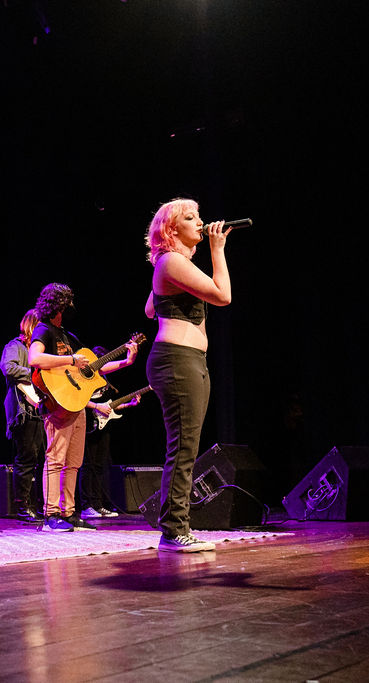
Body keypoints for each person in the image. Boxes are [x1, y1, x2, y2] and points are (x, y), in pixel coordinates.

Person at [144, 198, 232, 553]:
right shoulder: (171, 261)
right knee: (183, 447)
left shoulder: (171, 264)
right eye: (190, 218)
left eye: (199, 216)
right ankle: (173, 530)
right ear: (171, 229)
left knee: (185, 446)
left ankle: (176, 526)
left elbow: (150, 308)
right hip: (177, 360)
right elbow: (223, 296)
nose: (200, 222)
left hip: (186, 359)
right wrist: (217, 249)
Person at [28, 283, 138, 532]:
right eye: (67, 304)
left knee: (74, 462)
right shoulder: (44, 330)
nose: (71, 308)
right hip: (58, 404)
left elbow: (94, 368)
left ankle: (68, 512)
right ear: (58, 306)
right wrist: (70, 359)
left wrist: (126, 362)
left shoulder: (68, 335)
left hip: (76, 405)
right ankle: (51, 514)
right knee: (55, 459)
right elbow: (35, 358)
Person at [79, 358, 143, 519]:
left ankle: (98, 504)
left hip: (104, 425)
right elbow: (79, 399)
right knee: (88, 465)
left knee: (100, 465)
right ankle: (86, 505)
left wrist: (129, 404)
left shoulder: (105, 382)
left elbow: (109, 406)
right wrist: (97, 407)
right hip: (89, 423)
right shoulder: (85, 379)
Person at [0, 309, 46, 522]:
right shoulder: (15, 346)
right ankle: (23, 506)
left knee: (44, 460)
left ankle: (44, 505)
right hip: (24, 410)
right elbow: (8, 367)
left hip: (43, 410)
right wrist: (36, 372)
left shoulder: (42, 349)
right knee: (27, 458)